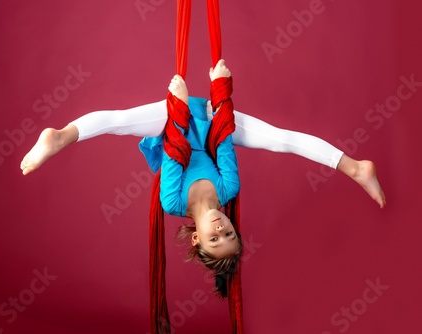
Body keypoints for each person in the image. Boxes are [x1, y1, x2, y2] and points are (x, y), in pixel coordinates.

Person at [20, 60, 385, 292]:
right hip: (210, 121)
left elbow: (174, 154)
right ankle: (355, 166)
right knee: (281, 140)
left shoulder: (172, 202)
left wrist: (177, 104)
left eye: (215, 237)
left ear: (197, 239)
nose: (221, 227)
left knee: (117, 121)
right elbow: (224, 141)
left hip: (174, 126)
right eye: (229, 232)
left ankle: (60, 137)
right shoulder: (229, 187)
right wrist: (221, 88)